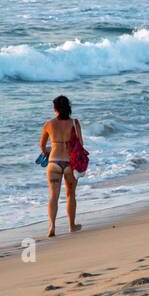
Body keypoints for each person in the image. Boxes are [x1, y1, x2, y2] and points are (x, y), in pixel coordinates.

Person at [39, 94, 83, 237]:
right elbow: (81, 145)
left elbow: (42, 145)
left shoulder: (49, 124)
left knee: (53, 196)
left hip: (53, 163)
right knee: (71, 195)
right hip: (70, 163)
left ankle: (52, 226)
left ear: (55, 108)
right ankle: (71, 225)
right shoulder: (75, 123)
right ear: (68, 108)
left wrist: (47, 152)